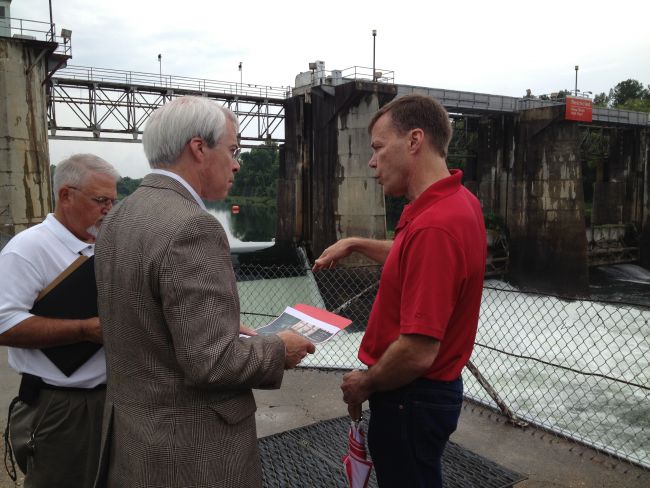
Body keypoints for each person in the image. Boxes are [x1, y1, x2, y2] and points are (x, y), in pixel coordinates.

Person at [93, 96, 315, 488]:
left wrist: (224, 329)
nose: (236, 163)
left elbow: (148, 325)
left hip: (135, 441)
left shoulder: (120, 216)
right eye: (232, 150)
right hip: (192, 453)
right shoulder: (193, 227)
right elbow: (211, 363)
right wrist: (280, 348)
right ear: (198, 148)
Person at [313, 95, 486, 487]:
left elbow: (418, 350)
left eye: (377, 147)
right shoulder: (458, 204)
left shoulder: (434, 226)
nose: (372, 161)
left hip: (410, 399)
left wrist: (365, 383)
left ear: (414, 141)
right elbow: (415, 254)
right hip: (429, 397)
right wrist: (355, 243)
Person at [0, 154, 120, 487]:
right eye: (100, 201)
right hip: (59, 405)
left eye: (113, 200)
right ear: (66, 196)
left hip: (110, 399)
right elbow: (4, 324)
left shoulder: (106, 246)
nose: (109, 209)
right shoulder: (27, 248)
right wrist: (84, 330)